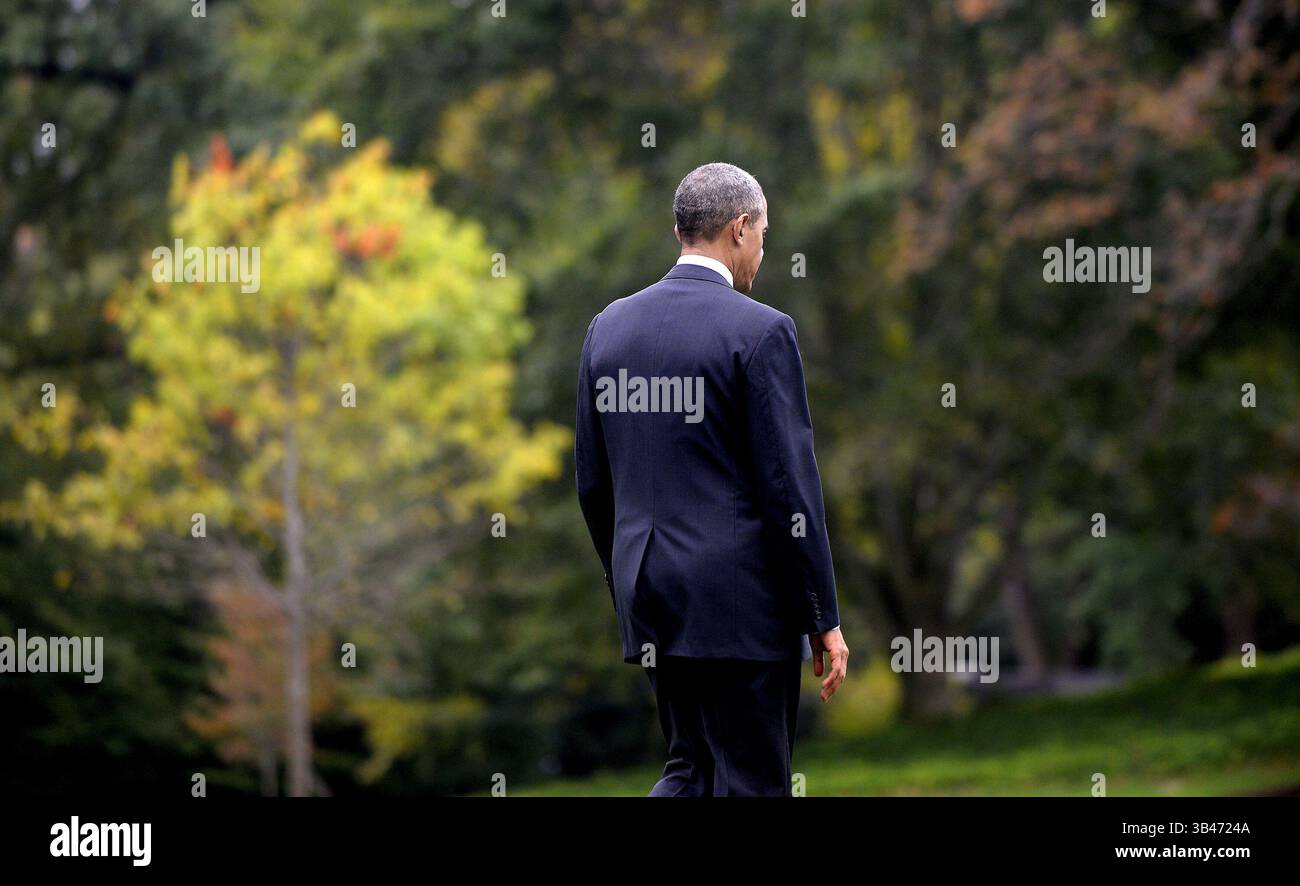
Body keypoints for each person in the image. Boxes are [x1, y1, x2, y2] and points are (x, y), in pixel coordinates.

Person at [575, 162, 848, 796]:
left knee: (690, 769)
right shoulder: (760, 331)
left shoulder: (607, 330)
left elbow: (594, 484)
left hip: (649, 595)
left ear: (679, 231)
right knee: (750, 780)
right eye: (762, 235)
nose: (761, 252)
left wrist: (629, 575)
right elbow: (790, 492)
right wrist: (820, 614)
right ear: (740, 227)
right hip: (737, 603)